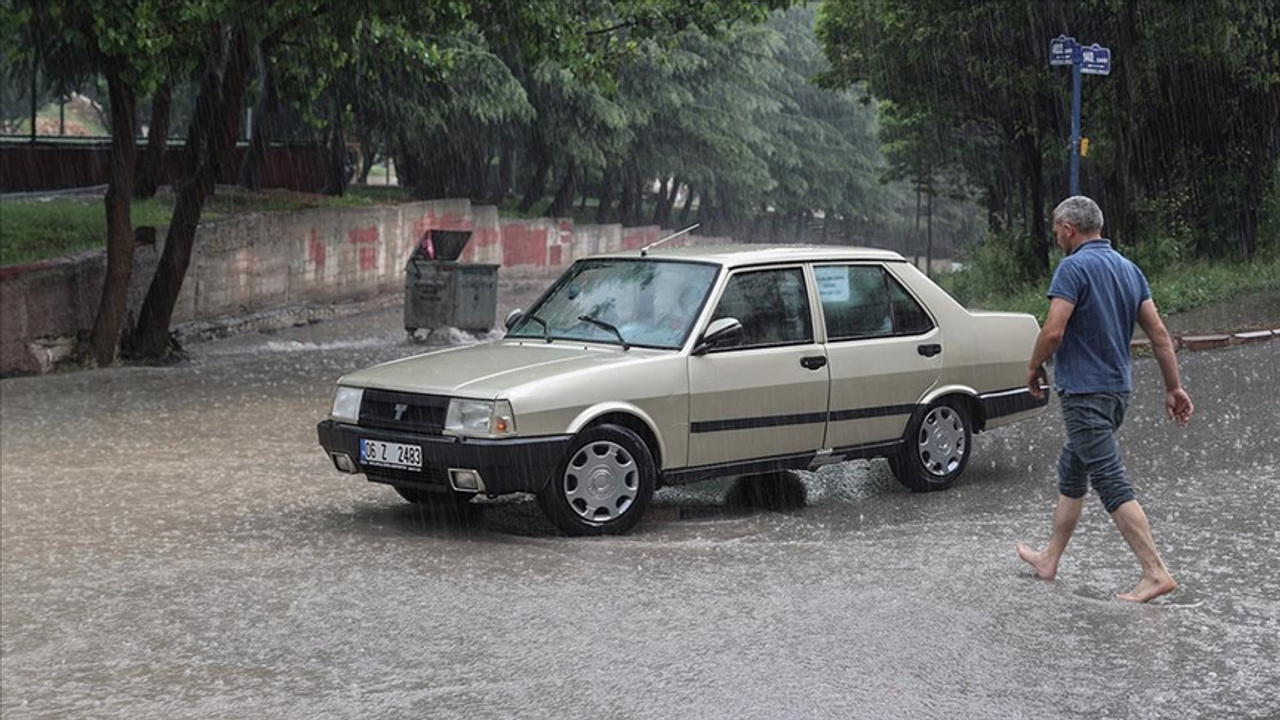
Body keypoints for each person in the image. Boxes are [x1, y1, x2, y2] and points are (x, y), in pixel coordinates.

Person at [1016, 195, 1194, 603]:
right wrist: (1173, 387)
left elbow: (1054, 331)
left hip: (1084, 393)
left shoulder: (1072, 267)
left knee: (1110, 480)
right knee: (1072, 469)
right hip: (1117, 393)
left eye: (1056, 229)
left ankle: (1155, 572)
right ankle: (1049, 559)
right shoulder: (1129, 270)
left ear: (1068, 229)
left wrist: (1033, 365)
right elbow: (1160, 335)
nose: (1057, 236)